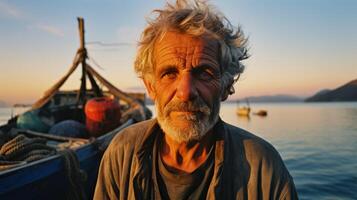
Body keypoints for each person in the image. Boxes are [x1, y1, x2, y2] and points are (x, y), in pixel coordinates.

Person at [94, 0, 298, 199]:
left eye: (204, 73)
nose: (185, 92)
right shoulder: (122, 152)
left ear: (226, 86)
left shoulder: (261, 166)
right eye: (169, 73)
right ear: (151, 87)